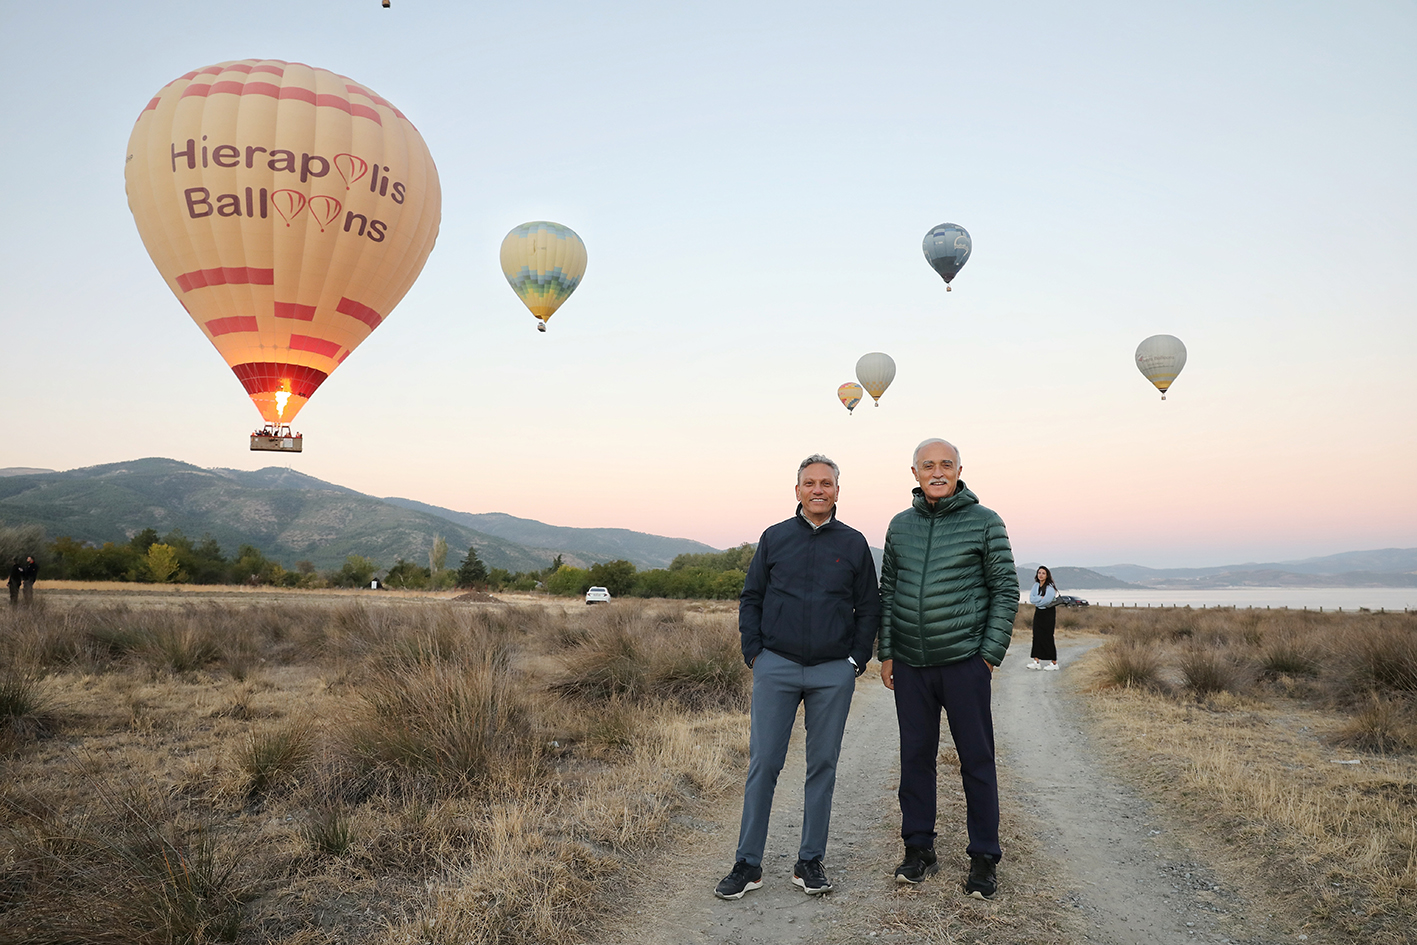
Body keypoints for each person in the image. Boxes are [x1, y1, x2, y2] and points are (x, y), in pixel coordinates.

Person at [715, 454, 881, 900]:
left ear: (837, 491)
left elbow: (869, 607)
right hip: (777, 666)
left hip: (832, 671)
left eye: (826, 483)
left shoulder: (854, 543)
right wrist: (756, 654)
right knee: (764, 763)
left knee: (821, 765)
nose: (818, 490)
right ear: (797, 491)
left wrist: (855, 660)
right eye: (810, 483)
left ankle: (809, 861)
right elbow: (751, 597)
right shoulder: (774, 538)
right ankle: (747, 864)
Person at [878, 438, 1018, 899]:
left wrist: (988, 655)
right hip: (912, 667)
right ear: (914, 472)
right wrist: (888, 651)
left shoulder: (985, 521)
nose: (937, 472)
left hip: (964, 664)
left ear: (959, 470)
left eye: (946, 464)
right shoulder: (900, 526)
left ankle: (983, 857)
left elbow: (1005, 590)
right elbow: (889, 590)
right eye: (927, 465)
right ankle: (918, 849)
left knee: (976, 760)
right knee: (915, 759)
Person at [1027, 566, 1059, 670]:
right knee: (1036, 636)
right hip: (1039, 613)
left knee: (1048, 636)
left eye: (1043, 573)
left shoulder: (1050, 587)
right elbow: (1032, 598)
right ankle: (1036, 661)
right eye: (1039, 573)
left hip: (1048, 613)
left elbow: (1047, 600)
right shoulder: (1036, 585)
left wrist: (1039, 600)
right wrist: (1040, 599)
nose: (1040, 575)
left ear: (1047, 575)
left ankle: (1054, 663)